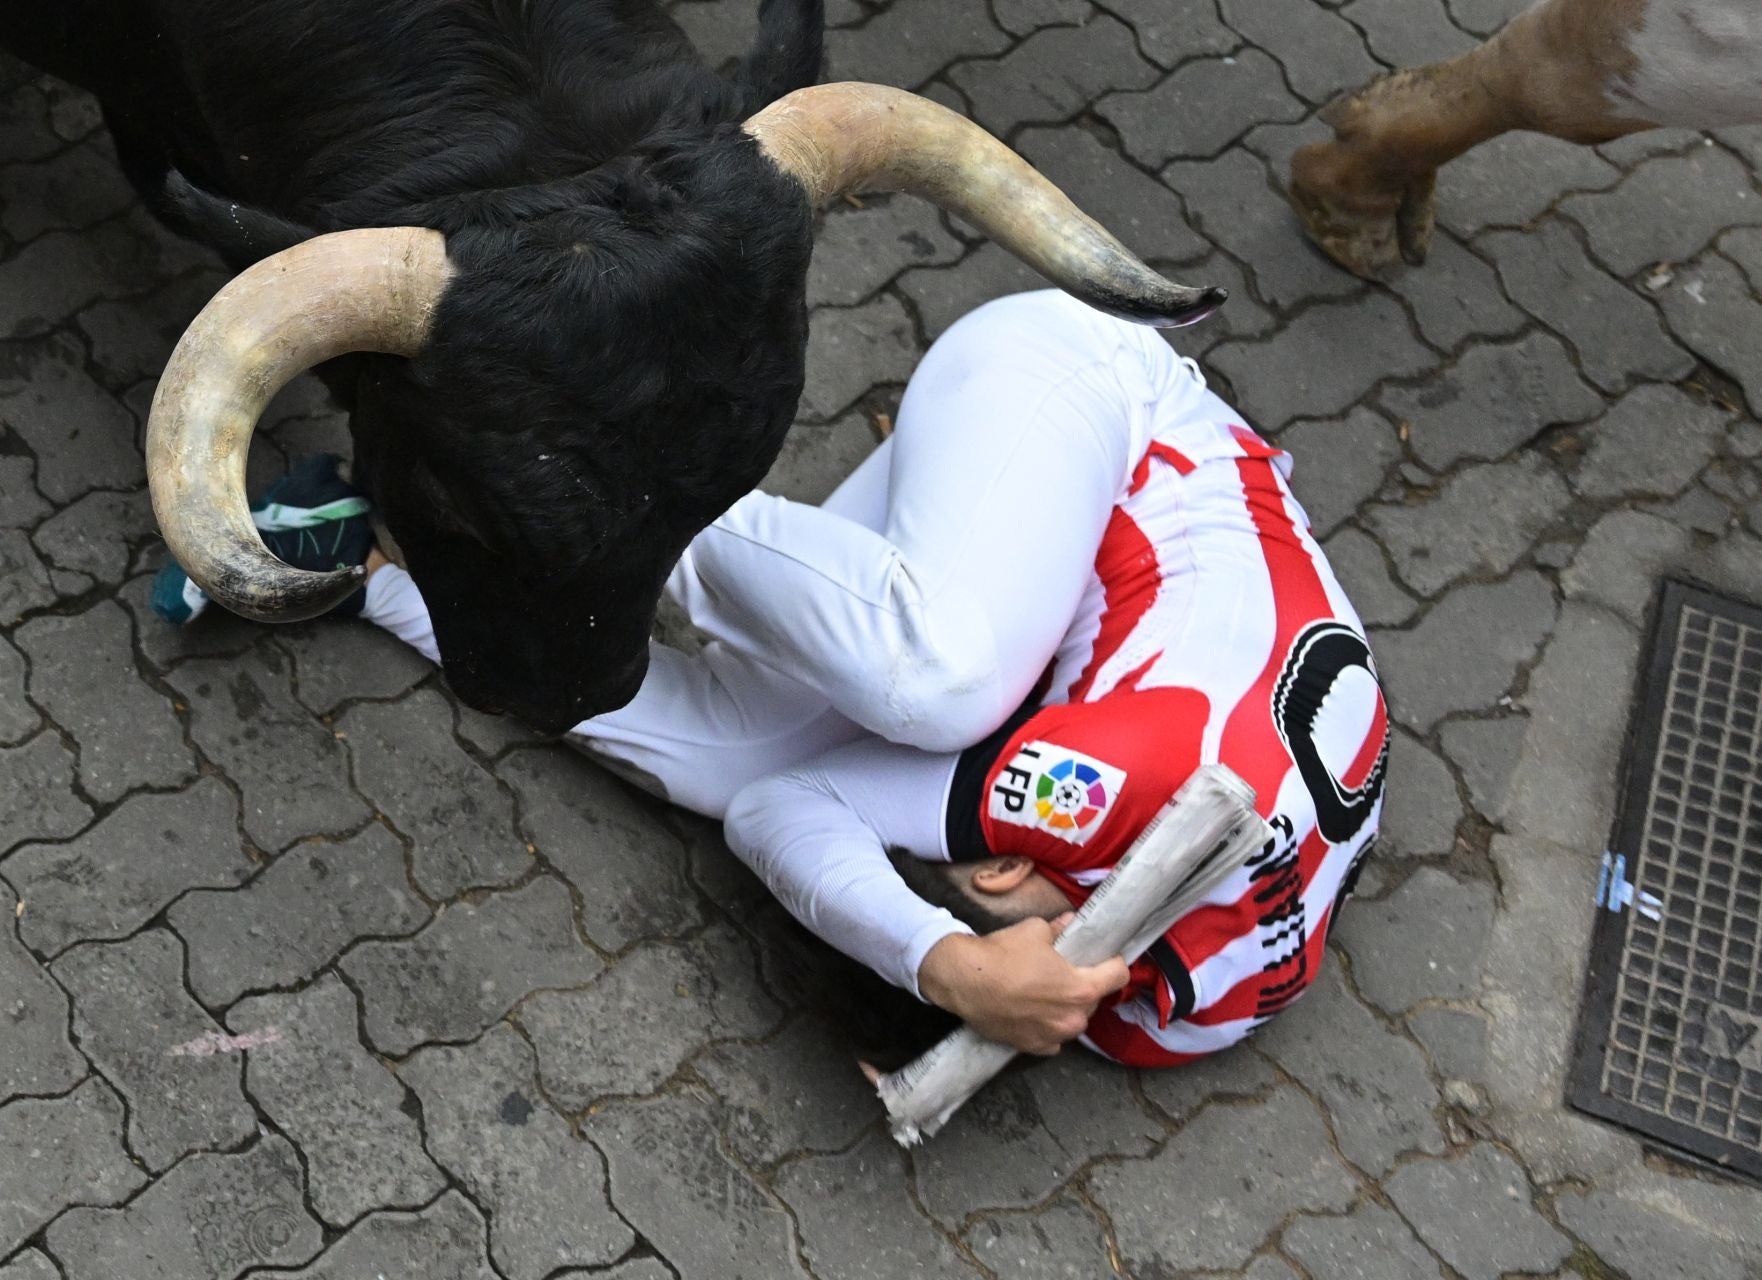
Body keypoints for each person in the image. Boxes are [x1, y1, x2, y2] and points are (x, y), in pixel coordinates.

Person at [179, 290, 1390, 1065]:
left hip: (1040, 576)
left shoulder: (1175, 1014)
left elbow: (771, 804)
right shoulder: (1145, 786)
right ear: (1016, 858)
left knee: (725, 762)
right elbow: (819, 825)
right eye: (968, 871)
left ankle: (381, 555)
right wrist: (951, 964)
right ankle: (550, 446)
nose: (958, 854)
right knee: (939, 681)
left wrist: (957, 966)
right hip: (1083, 398)